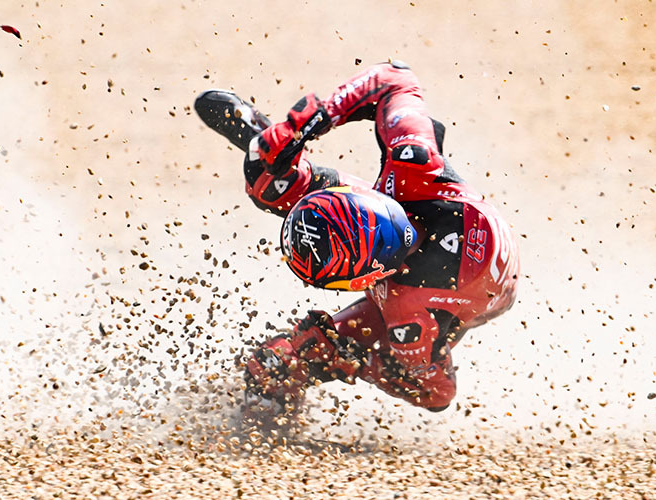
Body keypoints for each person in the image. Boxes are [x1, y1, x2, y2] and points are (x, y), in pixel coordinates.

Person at [194, 61, 519, 414]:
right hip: (448, 235)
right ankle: (273, 151)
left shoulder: (405, 314)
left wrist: (352, 361)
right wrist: (303, 126)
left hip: (464, 294)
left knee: (280, 363)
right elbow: (396, 77)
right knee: (273, 186)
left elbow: (438, 393)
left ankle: (268, 425)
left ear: (365, 281)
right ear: (368, 201)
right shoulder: (414, 167)